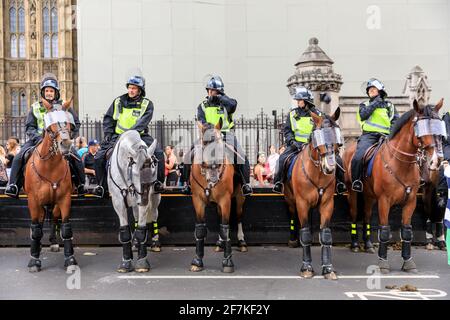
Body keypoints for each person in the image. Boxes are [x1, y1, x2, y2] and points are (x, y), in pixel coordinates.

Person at [4, 73, 86, 198]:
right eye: (46, 90)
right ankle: (13, 185)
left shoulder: (64, 106)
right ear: (43, 92)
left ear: (56, 92)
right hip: (37, 140)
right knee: (19, 157)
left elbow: (76, 123)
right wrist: (38, 138)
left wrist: (68, 137)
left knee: (76, 157)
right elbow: (29, 127)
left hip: (60, 139)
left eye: (51, 91)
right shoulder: (35, 107)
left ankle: (80, 185)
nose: (49, 93)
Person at [93, 75, 165, 198]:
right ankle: (102, 186)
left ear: (140, 90)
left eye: (134, 88)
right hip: (118, 136)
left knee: (158, 153)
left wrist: (130, 135)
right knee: (99, 157)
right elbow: (109, 118)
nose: (131, 90)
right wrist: (108, 134)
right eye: (129, 88)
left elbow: (143, 122)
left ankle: (158, 182)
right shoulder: (118, 101)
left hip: (140, 136)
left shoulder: (147, 104)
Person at [181, 75, 253, 196]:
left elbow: (233, 105)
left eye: (213, 90)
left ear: (219, 91)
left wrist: (220, 98)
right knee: (189, 155)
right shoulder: (202, 106)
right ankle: (187, 184)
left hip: (226, 134)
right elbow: (202, 121)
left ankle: (246, 184)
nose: (210, 92)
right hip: (207, 135)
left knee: (241, 156)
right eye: (209, 90)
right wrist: (211, 131)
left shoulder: (227, 103)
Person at [351, 78, 399, 192]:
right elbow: (363, 115)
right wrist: (376, 103)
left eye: (373, 89)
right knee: (357, 157)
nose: (370, 91)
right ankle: (356, 181)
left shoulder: (389, 105)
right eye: (369, 90)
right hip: (369, 137)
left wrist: (391, 134)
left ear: (380, 90)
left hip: (387, 137)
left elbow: (395, 121)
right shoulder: (364, 104)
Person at [272, 87, 322, 193]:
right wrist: (292, 142)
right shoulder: (292, 114)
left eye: (300, 100)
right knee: (282, 159)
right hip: (296, 145)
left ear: (307, 101)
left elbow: (321, 130)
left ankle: (339, 183)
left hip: (313, 145)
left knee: (334, 159)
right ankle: (278, 182)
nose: (298, 102)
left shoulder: (318, 114)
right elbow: (287, 130)